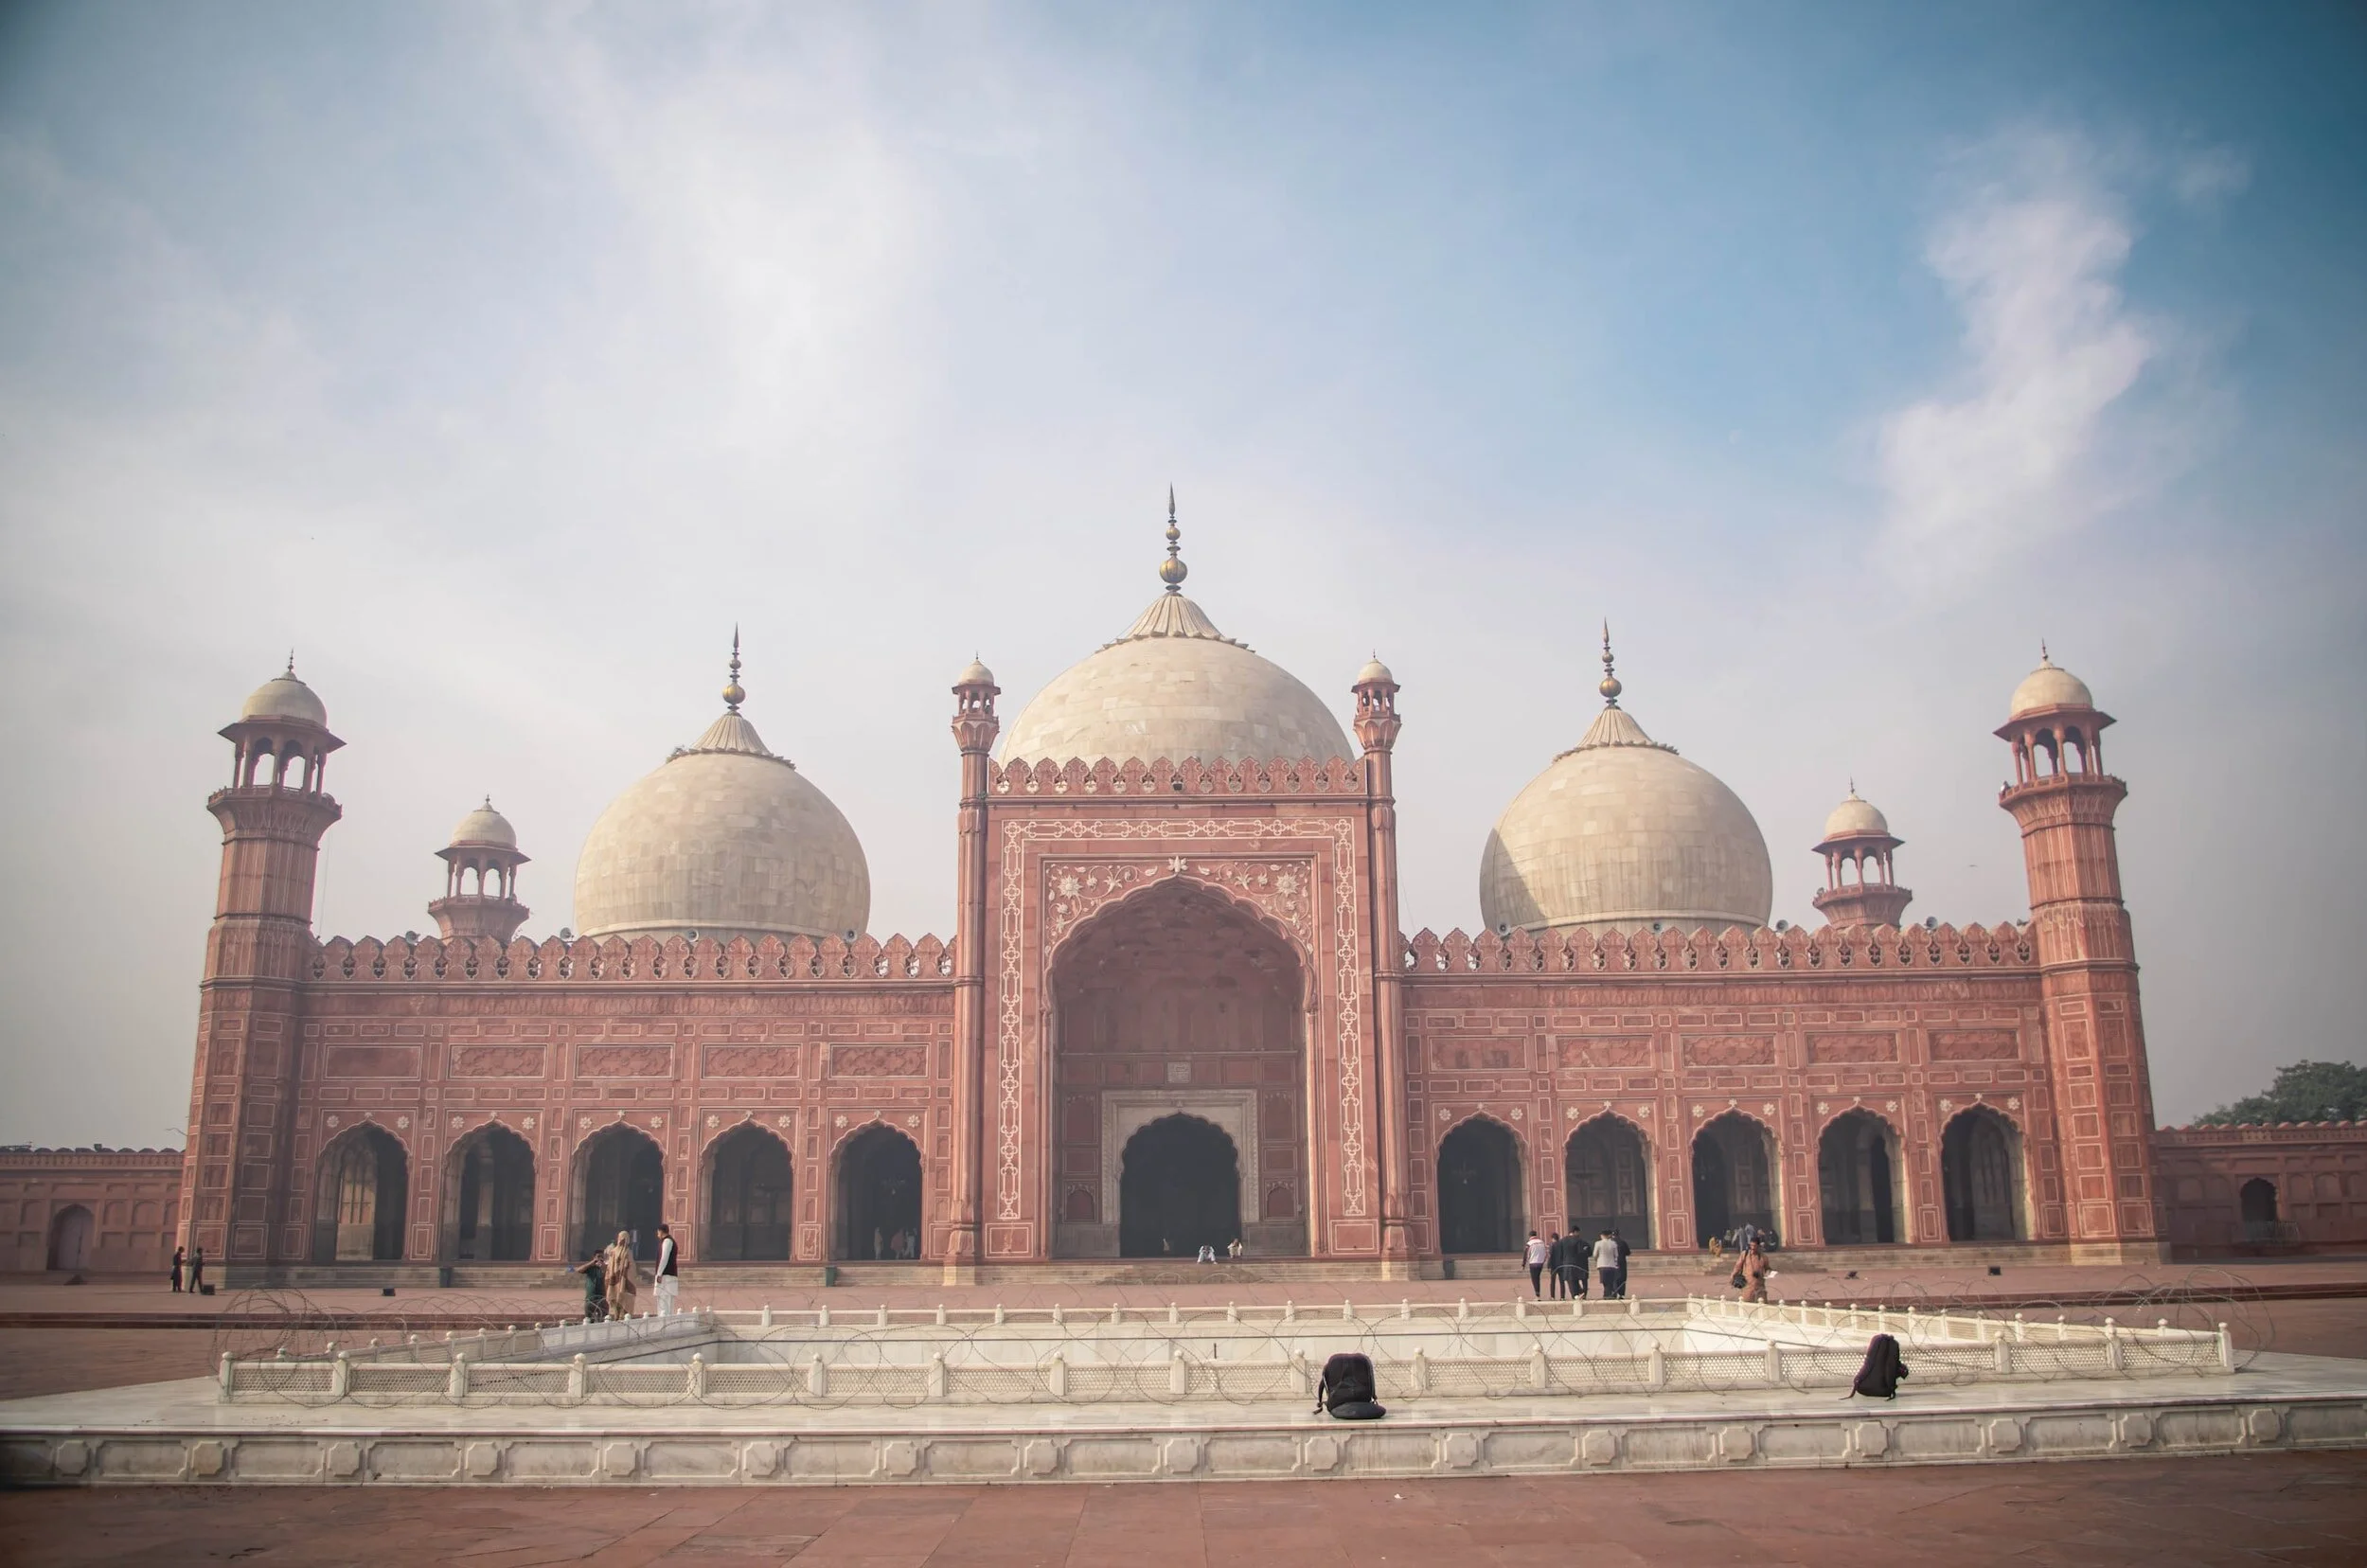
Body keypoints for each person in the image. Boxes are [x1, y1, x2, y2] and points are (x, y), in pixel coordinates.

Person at [602, 1230, 638, 1320]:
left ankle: (623, 1317)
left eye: (624, 1239)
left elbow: (632, 1267)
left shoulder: (627, 1252)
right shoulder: (614, 1252)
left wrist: (625, 1272)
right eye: (621, 1238)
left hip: (625, 1281)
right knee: (615, 1298)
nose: (622, 1240)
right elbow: (610, 1266)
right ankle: (617, 1317)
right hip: (615, 1280)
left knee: (625, 1299)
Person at [652, 1222, 680, 1316]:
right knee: (664, 1300)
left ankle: (664, 1320)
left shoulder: (667, 1241)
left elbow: (664, 1258)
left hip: (666, 1275)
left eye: (658, 1232)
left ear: (661, 1231)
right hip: (667, 1275)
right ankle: (664, 1319)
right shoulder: (667, 1241)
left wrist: (659, 1273)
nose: (657, 1234)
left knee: (664, 1300)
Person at [575, 1251, 609, 1323]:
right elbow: (579, 1270)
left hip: (601, 1298)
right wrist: (592, 1263)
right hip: (590, 1298)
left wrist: (602, 1266)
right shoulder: (590, 1268)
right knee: (588, 1320)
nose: (600, 1258)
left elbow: (607, 1273)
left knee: (603, 1320)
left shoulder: (606, 1267)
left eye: (602, 1257)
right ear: (594, 1257)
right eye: (598, 1256)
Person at [1557, 1225, 1587, 1300]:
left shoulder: (1562, 1240)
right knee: (1575, 1280)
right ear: (1575, 1232)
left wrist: (1561, 1263)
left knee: (1570, 1281)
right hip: (1576, 1264)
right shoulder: (1578, 1240)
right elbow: (1580, 1253)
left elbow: (1560, 1254)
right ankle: (1579, 1293)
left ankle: (1575, 1295)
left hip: (1566, 1264)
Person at [1592, 1228, 1622, 1299]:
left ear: (1603, 1236)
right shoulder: (1613, 1243)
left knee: (1604, 1281)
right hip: (1611, 1265)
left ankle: (1606, 1294)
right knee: (1610, 1281)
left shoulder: (1598, 1243)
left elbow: (1595, 1255)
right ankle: (1609, 1294)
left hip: (1602, 1265)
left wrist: (1596, 1260)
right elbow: (1616, 1255)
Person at [1740, 1238, 1771, 1304]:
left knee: (1761, 1306)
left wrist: (1767, 1274)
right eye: (1751, 1245)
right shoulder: (1745, 1255)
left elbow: (1767, 1269)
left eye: (1755, 1246)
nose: (1753, 1248)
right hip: (1747, 1287)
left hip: (1759, 1287)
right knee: (1747, 1306)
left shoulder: (1763, 1257)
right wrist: (1733, 1276)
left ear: (1759, 1246)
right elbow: (1737, 1266)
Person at [1609, 1226, 1632, 1300]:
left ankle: (1614, 1293)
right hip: (1621, 1263)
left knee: (1613, 1278)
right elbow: (1628, 1252)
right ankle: (1621, 1294)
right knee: (1622, 1279)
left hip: (1612, 1263)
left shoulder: (1609, 1243)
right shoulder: (1622, 1242)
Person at [1522, 1230, 1548, 1297]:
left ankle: (1537, 1294)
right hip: (1540, 1263)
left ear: (1530, 1236)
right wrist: (1543, 1260)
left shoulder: (1529, 1243)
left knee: (1534, 1279)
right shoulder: (1542, 1242)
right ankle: (1538, 1294)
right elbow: (1545, 1253)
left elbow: (1525, 1254)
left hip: (1533, 1263)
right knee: (1537, 1278)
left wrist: (1523, 1264)